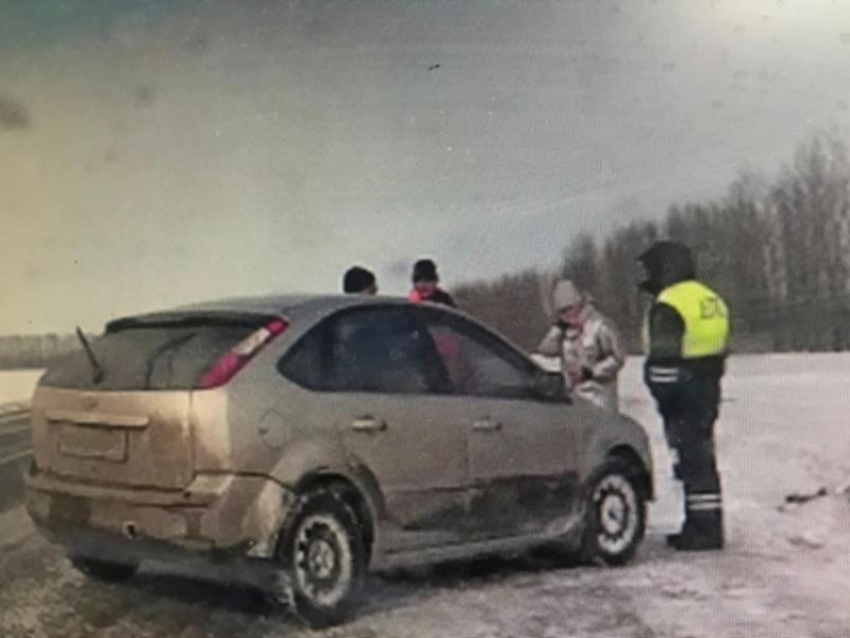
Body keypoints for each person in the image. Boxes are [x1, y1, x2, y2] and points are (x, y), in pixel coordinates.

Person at [638, 240, 730, 551]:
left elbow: (663, 360)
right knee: (703, 460)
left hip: (681, 394)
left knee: (691, 462)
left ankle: (701, 532)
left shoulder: (669, 303)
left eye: (650, 269)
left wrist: (662, 395)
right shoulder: (710, 298)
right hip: (707, 387)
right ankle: (707, 524)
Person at [535, 279, 624, 412]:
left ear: (578, 304)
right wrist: (558, 329)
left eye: (569, 308)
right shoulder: (563, 331)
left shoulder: (599, 325)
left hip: (599, 399)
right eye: (561, 311)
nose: (566, 314)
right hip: (574, 400)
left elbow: (617, 357)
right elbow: (545, 350)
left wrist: (589, 372)